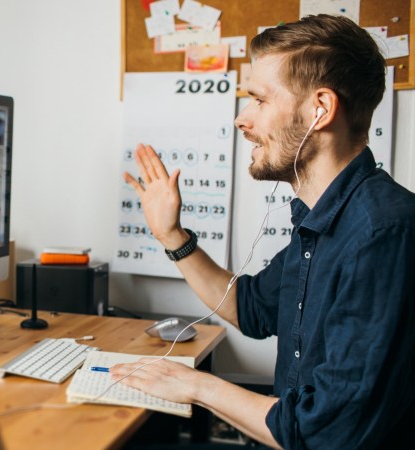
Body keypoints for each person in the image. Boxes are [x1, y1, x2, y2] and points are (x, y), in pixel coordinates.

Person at [115, 15, 415, 449]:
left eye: (258, 99)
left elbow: (326, 433)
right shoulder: (322, 218)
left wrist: (198, 386)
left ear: (320, 110)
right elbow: (251, 309)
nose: (242, 119)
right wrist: (172, 236)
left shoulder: (384, 234)